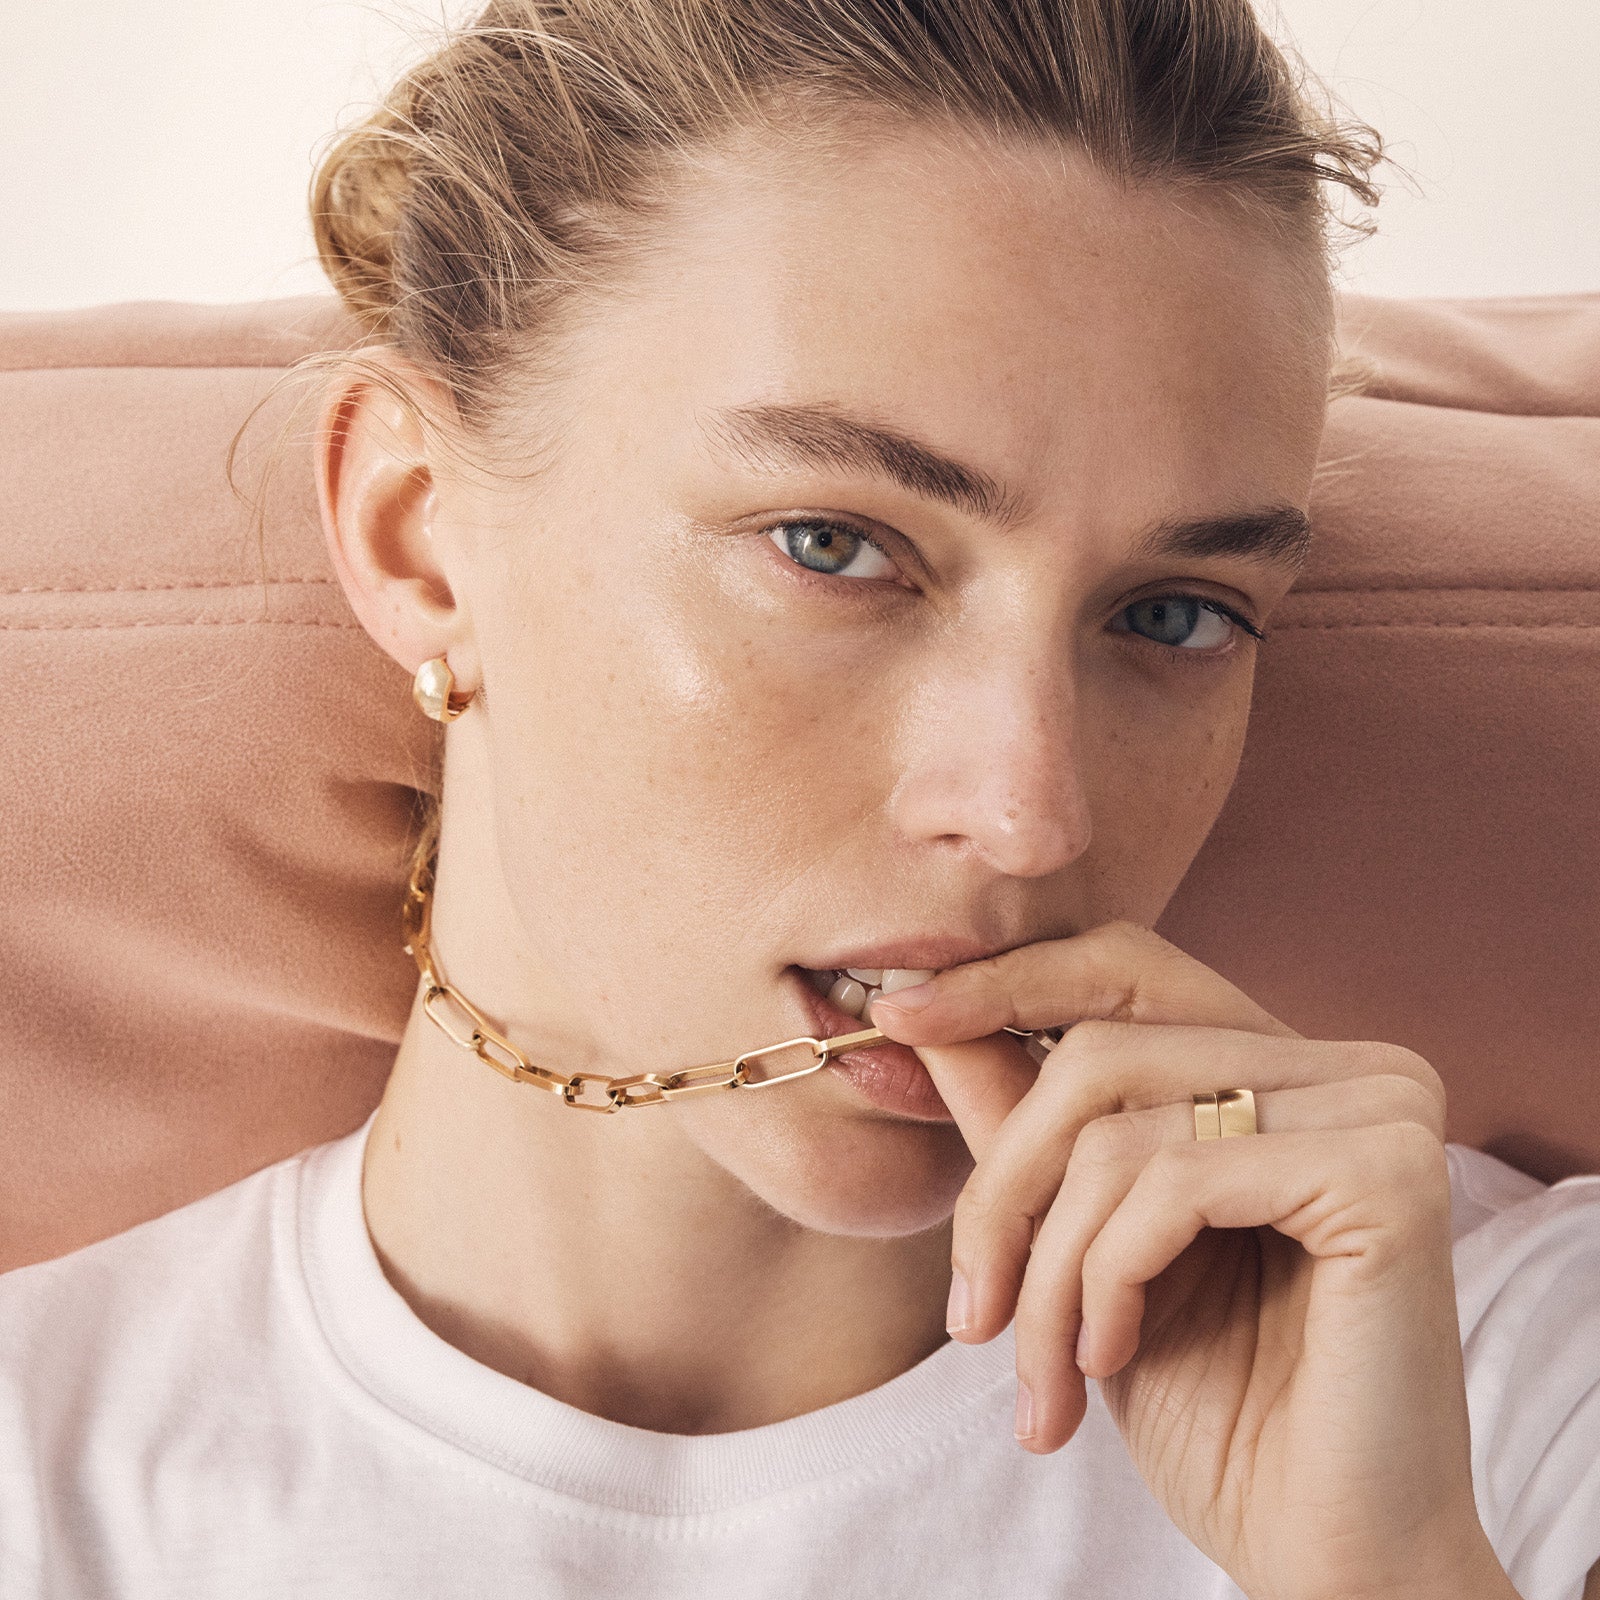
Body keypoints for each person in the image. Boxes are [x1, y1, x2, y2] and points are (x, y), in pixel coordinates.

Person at [2, 1, 1598, 1596]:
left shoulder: (1510, 1393)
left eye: (1173, 614)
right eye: (833, 546)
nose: (1032, 815)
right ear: (420, 533)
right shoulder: (44, 1476)